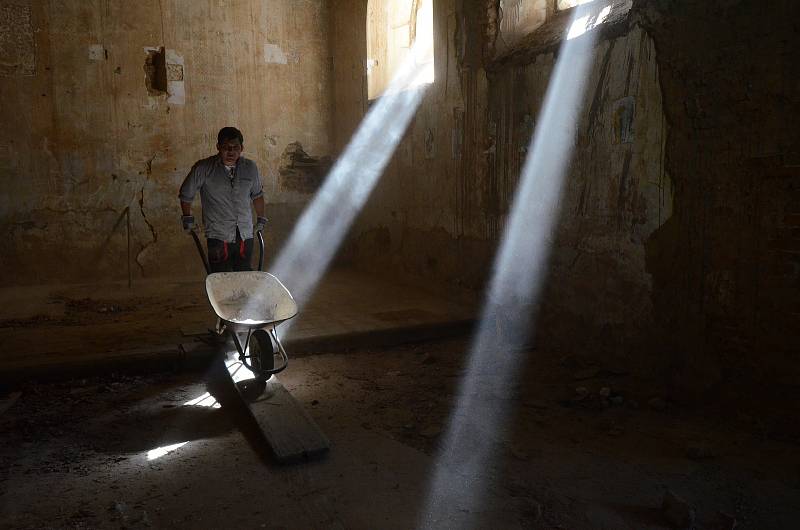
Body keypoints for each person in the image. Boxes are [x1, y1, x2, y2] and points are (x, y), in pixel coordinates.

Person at [179, 127, 267, 272]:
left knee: (245, 274)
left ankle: (242, 295)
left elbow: (257, 195)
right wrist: (187, 219)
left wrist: (261, 219)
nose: (231, 152)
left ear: (242, 148)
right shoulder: (203, 168)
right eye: (226, 147)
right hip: (218, 235)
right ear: (218, 147)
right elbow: (186, 194)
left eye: (235, 147)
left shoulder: (250, 168)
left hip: (245, 234)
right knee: (220, 277)